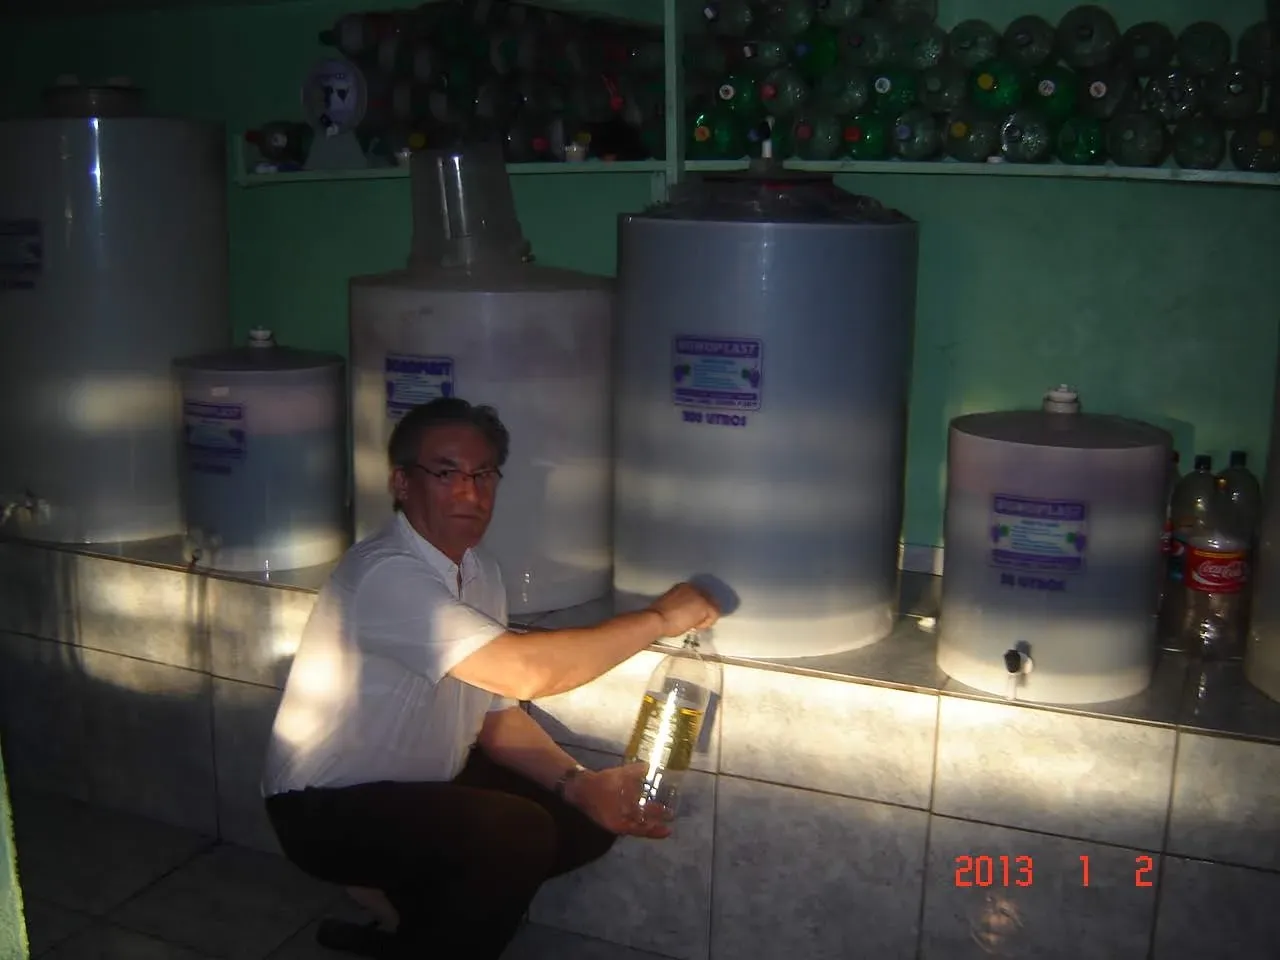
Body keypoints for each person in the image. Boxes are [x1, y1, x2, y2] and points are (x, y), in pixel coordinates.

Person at [261, 397, 720, 960]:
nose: (469, 492)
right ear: (402, 483)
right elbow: (528, 672)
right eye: (446, 472)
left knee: (585, 817)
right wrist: (659, 620)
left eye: (483, 475)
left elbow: (498, 718)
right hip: (322, 809)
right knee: (514, 833)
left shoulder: (481, 573)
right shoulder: (386, 574)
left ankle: (408, 925)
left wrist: (580, 784)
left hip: (422, 789)